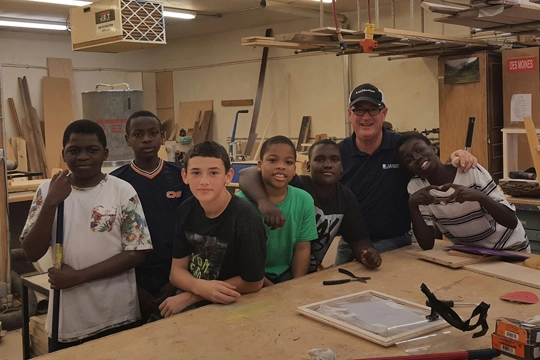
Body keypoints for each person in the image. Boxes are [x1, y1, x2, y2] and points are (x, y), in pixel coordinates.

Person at [20, 120, 152, 351]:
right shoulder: (47, 191)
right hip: (67, 319)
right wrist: (51, 202)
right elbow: (32, 251)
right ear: (63, 154)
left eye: (92, 150)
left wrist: (79, 277)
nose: (82, 157)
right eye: (74, 150)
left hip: (117, 313)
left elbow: (137, 253)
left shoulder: (122, 190)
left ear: (105, 153)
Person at [334, 83, 478, 264]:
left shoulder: (401, 148)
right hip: (350, 241)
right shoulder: (338, 154)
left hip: (393, 241)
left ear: (384, 113)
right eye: (359, 110)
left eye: (373, 110)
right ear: (350, 114)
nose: (366, 116)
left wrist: (456, 157)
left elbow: (431, 166)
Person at [158, 141, 266, 317]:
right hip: (196, 297)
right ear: (184, 176)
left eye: (213, 173)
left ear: (228, 176)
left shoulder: (245, 217)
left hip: (235, 303)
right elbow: (176, 272)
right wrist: (201, 288)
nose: (204, 181)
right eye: (196, 173)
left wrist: (192, 296)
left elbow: (253, 282)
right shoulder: (186, 210)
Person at [239, 138, 382, 272]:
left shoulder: (345, 197)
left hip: (304, 275)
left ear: (342, 167)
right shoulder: (298, 185)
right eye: (320, 159)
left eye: (335, 160)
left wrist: (366, 253)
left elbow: (358, 237)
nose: (328, 164)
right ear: (308, 165)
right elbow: (246, 174)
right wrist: (264, 202)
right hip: (279, 272)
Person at [110, 110, 191, 322]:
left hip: (177, 271)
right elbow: (111, 240)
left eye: (153, 133)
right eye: (138, 134)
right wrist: (134, 288)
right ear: (127, 139)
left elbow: (193, 229)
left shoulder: (182, 175)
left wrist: (177, 280)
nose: (146, 139)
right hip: (132, 276)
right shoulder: (116, 183)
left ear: (162, 138)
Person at [397, 131, 530, 252]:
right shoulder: (417, 187)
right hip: (471, 254)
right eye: (409, 160)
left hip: (511, 248)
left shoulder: (470, 170)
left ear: (433, 149)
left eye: (420, 149)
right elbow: (427, 245)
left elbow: (511, 221)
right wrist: (412, 205)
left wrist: (480, 197)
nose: (416, 157)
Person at [237, 135, 318, 285]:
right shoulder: (241, 202)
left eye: (288, 162)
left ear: (294, 169)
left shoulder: (304, 200)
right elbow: (241, 255)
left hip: (285, 276)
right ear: (259, 165)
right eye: (273, 160)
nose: (281, 166)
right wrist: (270, 288)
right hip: (247, 277)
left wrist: (295, 285)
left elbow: (302, 248)